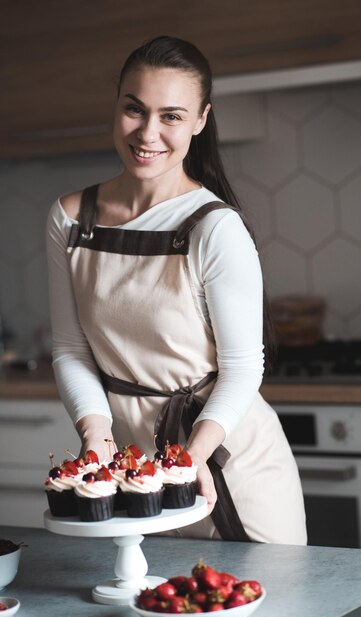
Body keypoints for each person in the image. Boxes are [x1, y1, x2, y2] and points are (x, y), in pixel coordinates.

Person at [46, 35, 306, 544]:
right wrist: (98, 442)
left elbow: (242, 371)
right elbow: (71, 349)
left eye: (171, 116)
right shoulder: (70, 219)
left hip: (228, 461)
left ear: (200, 121)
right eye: (134, 110)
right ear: (116, 105)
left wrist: (191, 458)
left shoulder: (214, 227)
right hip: (133, 467)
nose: (148, 133)